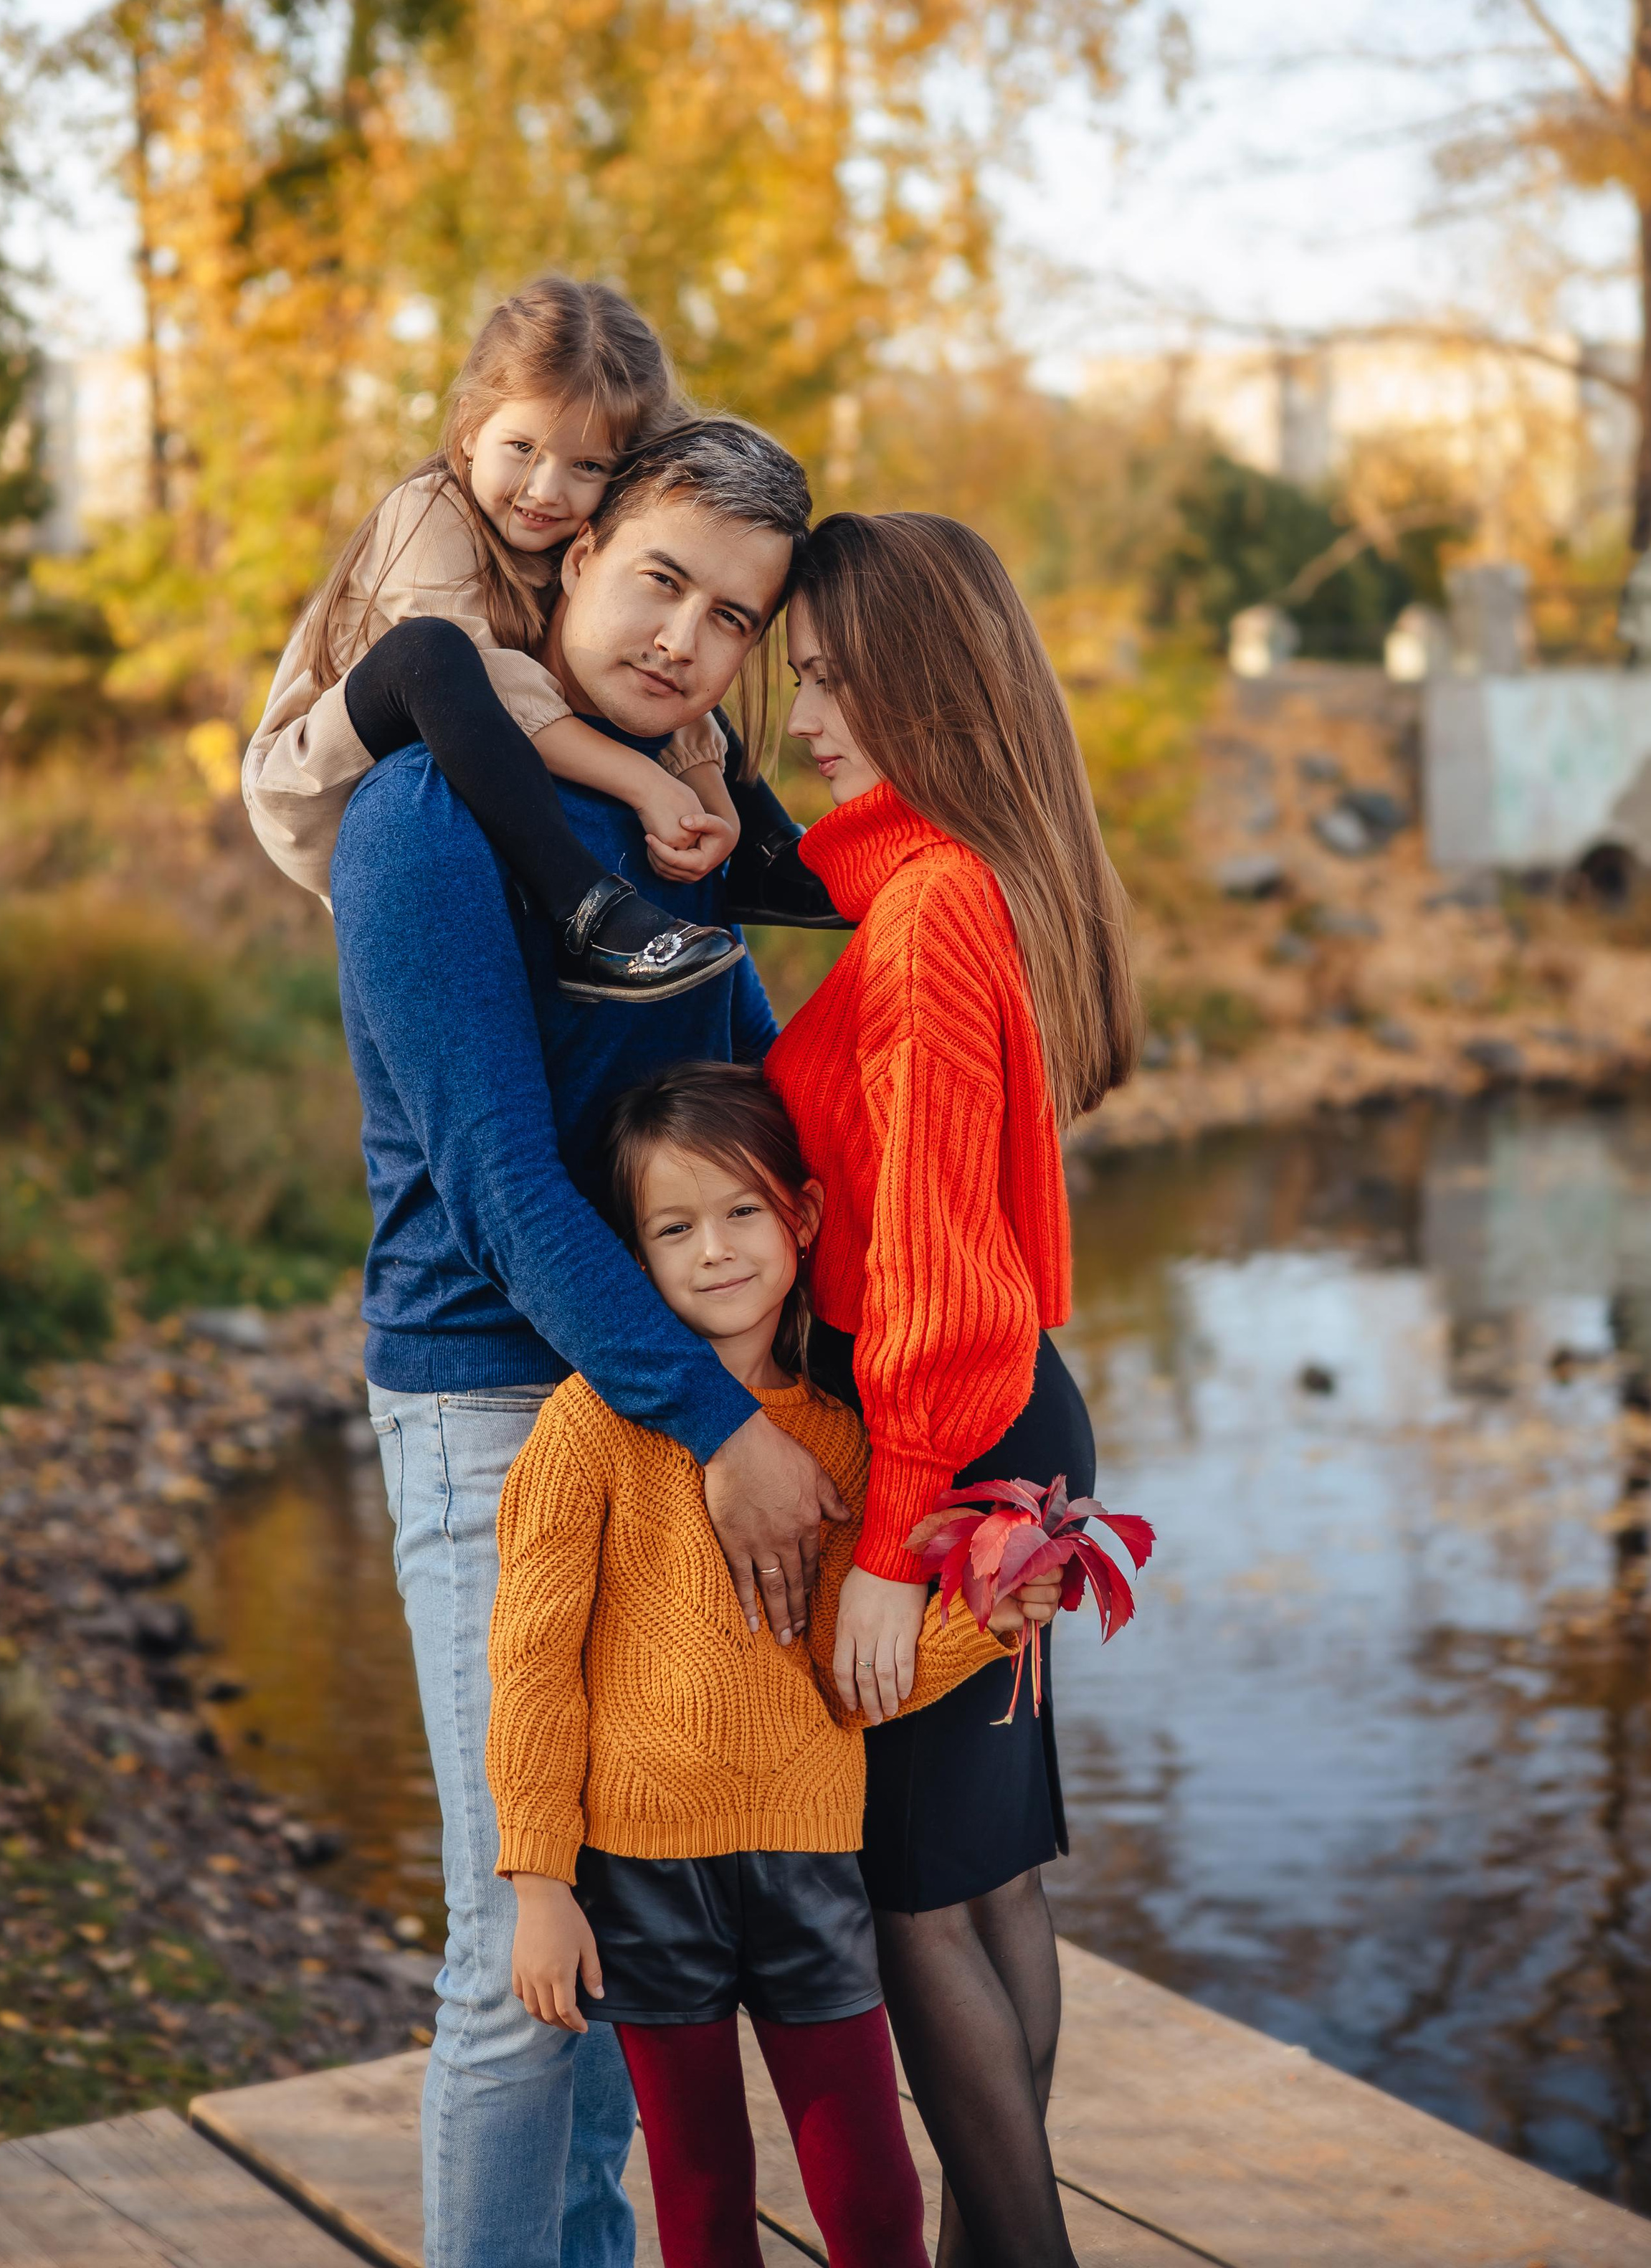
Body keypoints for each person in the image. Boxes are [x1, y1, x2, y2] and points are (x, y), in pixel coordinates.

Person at [327, 421, 850, 2268]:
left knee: (629, 1910)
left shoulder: (670, 821)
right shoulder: (421, 820)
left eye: (734, 617)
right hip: (491, 1399)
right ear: (571, 551)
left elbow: (747, 1098)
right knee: (514, 1929)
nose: (686, 640)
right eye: (659, 579)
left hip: (655, 1401)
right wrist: (719, 1420)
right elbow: (493, 1191)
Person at [489, 1062, 1063, 2268]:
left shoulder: (843, 1440)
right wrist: (539, 1878)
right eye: (674, 1226)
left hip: (810, 1858)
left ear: (802, 1214)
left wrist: (989, 1619)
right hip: (645, 1873)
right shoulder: (588, 1428)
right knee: (702, 2202)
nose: (715, 1250)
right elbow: (532, 1663)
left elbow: (860, 1674)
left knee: (869, 2190)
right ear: (631, 1253)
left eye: (742, 1210)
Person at [763, 511, 1140, 2268]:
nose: (803, 719)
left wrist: (890, 1546)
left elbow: (925, 1267)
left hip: (947, 1433)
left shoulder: (925, 921)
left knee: (911, 1890)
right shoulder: (978, 874)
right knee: (991, 1873)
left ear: (925, 683)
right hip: (1015, 1424)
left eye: (834, 682)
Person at [246, 275, 834, 1002]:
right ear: (469, 426)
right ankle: (584, 912)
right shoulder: (430, 510)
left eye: (587, 466)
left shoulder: (566, 535)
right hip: (318, 775)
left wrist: (709, 807)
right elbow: (487, 682)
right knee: (433, 653)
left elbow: (672, 706)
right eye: (522, 447)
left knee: (678, 646)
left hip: (465, 734)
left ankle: (765, 857)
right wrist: (645, 780)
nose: (546, 489)